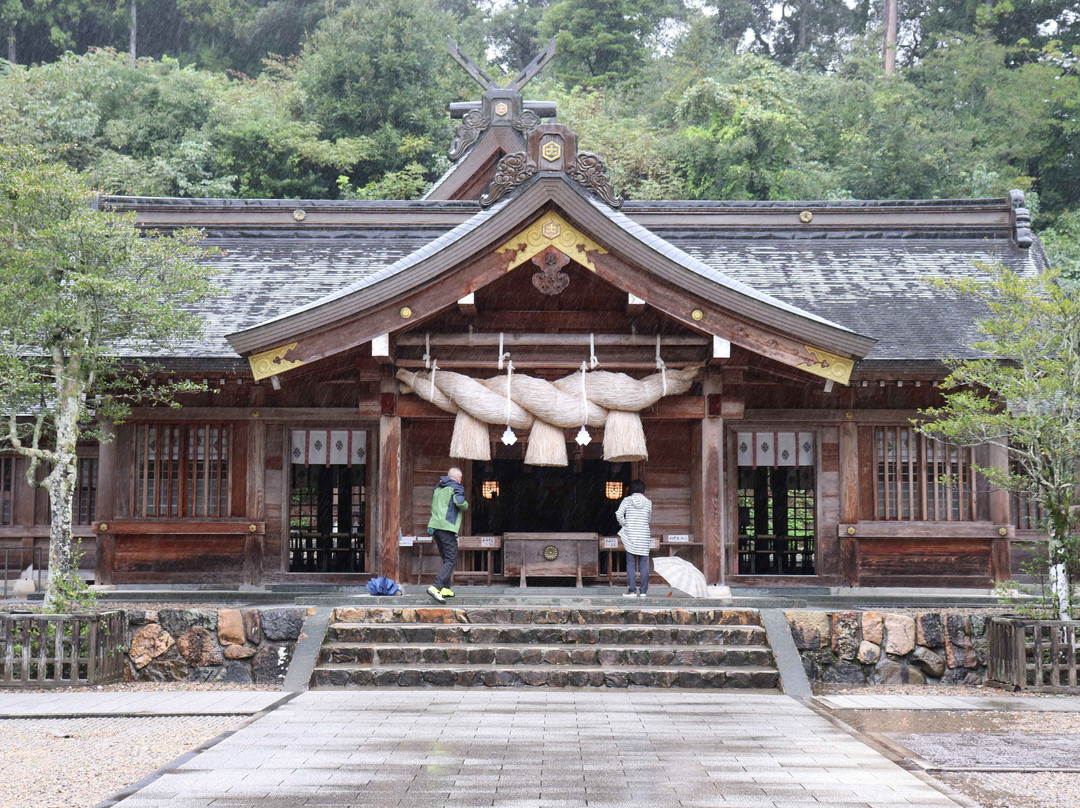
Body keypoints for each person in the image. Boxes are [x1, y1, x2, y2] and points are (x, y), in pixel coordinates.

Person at [426, 466, 468, 604]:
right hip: (447, 527)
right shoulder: (456, 487)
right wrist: (466, 505)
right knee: (451, 559)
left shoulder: (437, 488)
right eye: (460, 478)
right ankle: (436, 587)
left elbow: (434, 506)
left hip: (435, 527)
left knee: (446, 558)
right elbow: (460, 503)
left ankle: (445, 589)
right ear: (457, 478)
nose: (460, 480)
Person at [616, 479, 652, 598]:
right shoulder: (648, 502)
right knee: (643, 564)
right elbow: (648, 518)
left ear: (631, 489)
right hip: (643, 535)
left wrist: (625, 524)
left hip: (630, 535)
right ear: (643, 489)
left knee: (630, 563)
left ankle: (632, 590)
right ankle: (643, 591)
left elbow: (618, 514)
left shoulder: (627, 500)